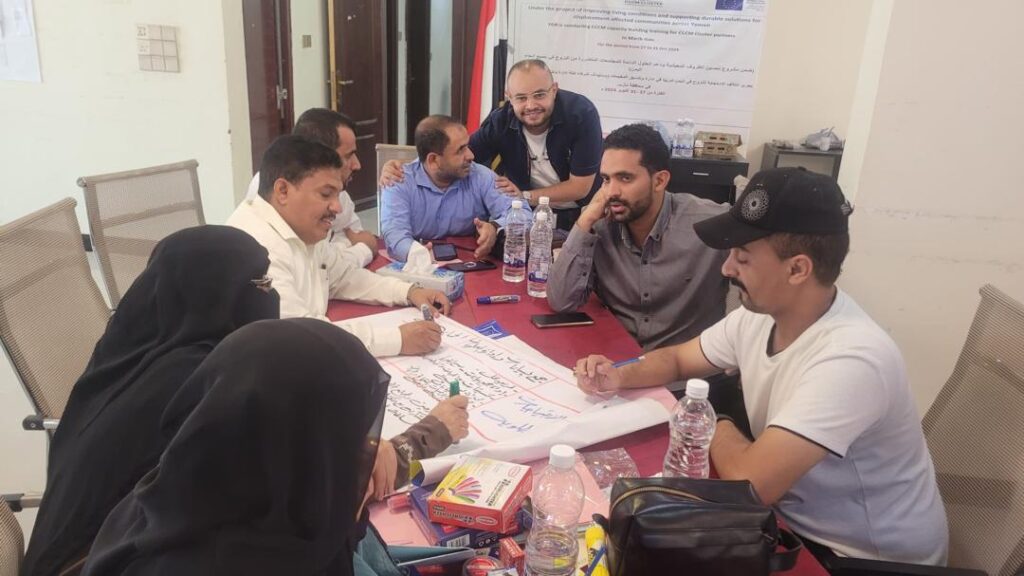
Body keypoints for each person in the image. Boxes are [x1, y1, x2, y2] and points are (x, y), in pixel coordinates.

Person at [573, 168, 948, 564]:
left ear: (797, 269)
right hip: (785, 523)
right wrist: (618, 375)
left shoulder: (851, 359)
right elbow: (679, 359)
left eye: (743, 258)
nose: (727, 268)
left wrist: (710, 420)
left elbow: (750, 485)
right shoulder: (763, 315)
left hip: (856, 557)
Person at [22, 226, 281, 576]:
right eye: (260, 285)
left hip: (92, 554)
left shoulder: (128, 352)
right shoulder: (194, 383)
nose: (270, 295)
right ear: (214, 294)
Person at [80, 319, 389, 576]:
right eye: (352, 439)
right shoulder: (270, 554)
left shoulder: (188, 493)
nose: (367, 451)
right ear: (305, 453)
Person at [228, 135, 451, 358]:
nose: (337, 207)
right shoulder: (254, 248)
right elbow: (298, 336)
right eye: (326, 194)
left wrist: (409, 291)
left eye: (337, 195)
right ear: (282, 191)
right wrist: (397, 339)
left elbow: (344, 276)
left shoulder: (302, 228)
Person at [547, 123, 728, 351]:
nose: (611, 192)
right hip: (618, 361)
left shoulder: (709, 223)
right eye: (606, 179)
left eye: (625, 178)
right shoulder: (598, 223)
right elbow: (561, 301)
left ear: (659, 181)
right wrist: (584, 222)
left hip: (687, 368)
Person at [380, 59, 603, 230]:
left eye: (539, 95)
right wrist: (405, 168)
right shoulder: (500, 121)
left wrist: (524, 196)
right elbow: (458, 155)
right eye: (521, 98)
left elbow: (579, 187)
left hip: (582, 214)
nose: (531, 105)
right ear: (509, 97)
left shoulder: (581, 114)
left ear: (554, 90)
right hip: (528, 217)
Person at [380, 115, 528, 262]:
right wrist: (420, 256)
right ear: (433, 160)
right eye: (460, 150)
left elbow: (524, 213)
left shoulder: (480, 175)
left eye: (468, 146)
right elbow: (394, 236)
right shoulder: (398, 180)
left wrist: (495, 227)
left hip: (472, 264)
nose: (471, 155)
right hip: (419, 266)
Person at [245, 108, 377, 268]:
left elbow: (352, 235)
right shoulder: (270, 196)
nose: (357, 165)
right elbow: (324, 266)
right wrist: (361, 249)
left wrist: (344, 247)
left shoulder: (335, 191)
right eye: (348, 155)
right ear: (319, 154)